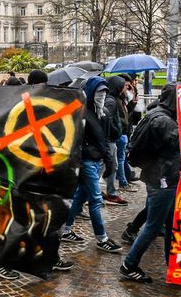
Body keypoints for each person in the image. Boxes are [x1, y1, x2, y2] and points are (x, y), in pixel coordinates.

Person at [120, 84, 180, 283]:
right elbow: (176, 145)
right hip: (163, 180)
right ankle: (129, 265)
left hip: (160, 177)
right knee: (153, 226)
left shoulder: (157, 113)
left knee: (170, 224)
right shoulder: (166, 122)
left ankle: (172, 263)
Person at [61, 76, 122, 253]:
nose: (102, 96)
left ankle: (66, 229)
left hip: (96, 160)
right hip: (87, 161)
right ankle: (101, 238)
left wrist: (108, 163)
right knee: (95, 200)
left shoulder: (101, 112)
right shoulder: (82, 113)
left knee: (81, 196)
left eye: (104, 93)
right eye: (99, 92)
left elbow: (109, 137)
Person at [102, 76, 129, 206]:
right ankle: (107, 194)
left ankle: (109, 192)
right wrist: (116, 130)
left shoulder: (115, 99)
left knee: (113, 166)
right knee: (109, 167)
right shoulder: (111, 101)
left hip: (113, 139)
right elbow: (107, 119)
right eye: (124, 86)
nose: (126, 88)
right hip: (111, 140)